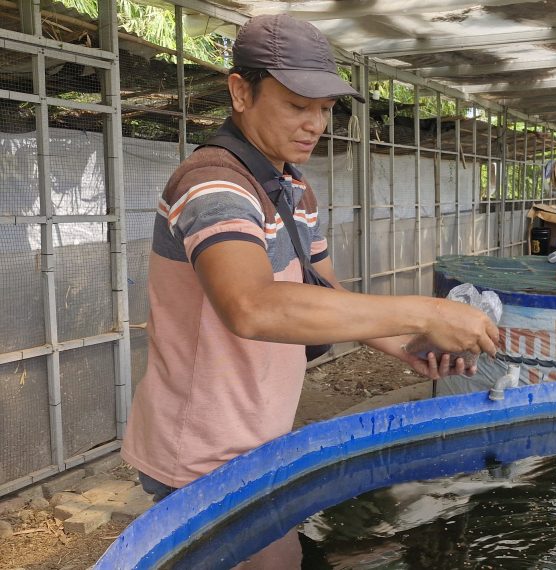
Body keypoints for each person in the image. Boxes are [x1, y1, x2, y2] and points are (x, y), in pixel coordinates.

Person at [121, 14, 499, 563]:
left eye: (325, 108)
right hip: (203, 456)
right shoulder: (212, 184)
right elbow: (251, 307)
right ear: (239, 92)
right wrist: (422, 313)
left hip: (259, 439)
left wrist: (408, 347)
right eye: (297, 105)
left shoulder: (292, 188)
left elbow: (326, 291)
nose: (316, 123)